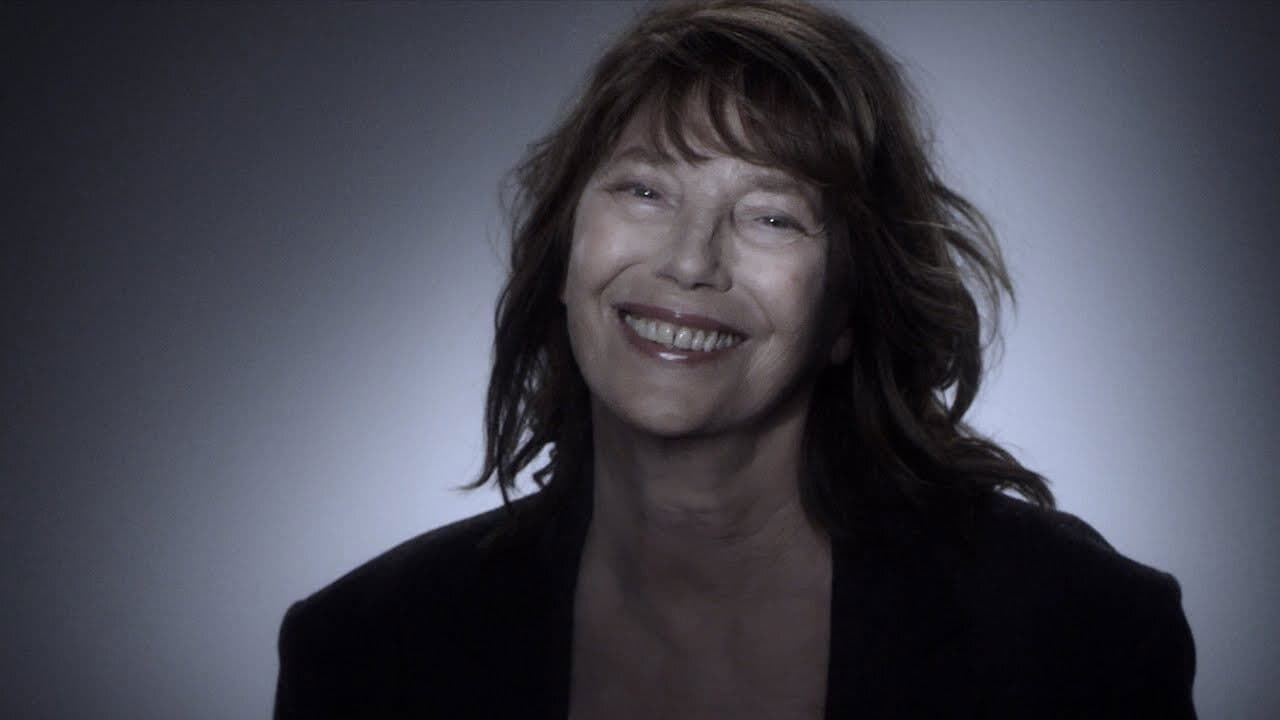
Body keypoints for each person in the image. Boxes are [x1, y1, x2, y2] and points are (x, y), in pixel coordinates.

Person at [274, 1, 1196, 717]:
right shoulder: (362, 651)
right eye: (645, 189)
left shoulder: (1080, 633)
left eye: (772, 216)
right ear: (564, 249)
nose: (689, 261)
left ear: (848, 308)